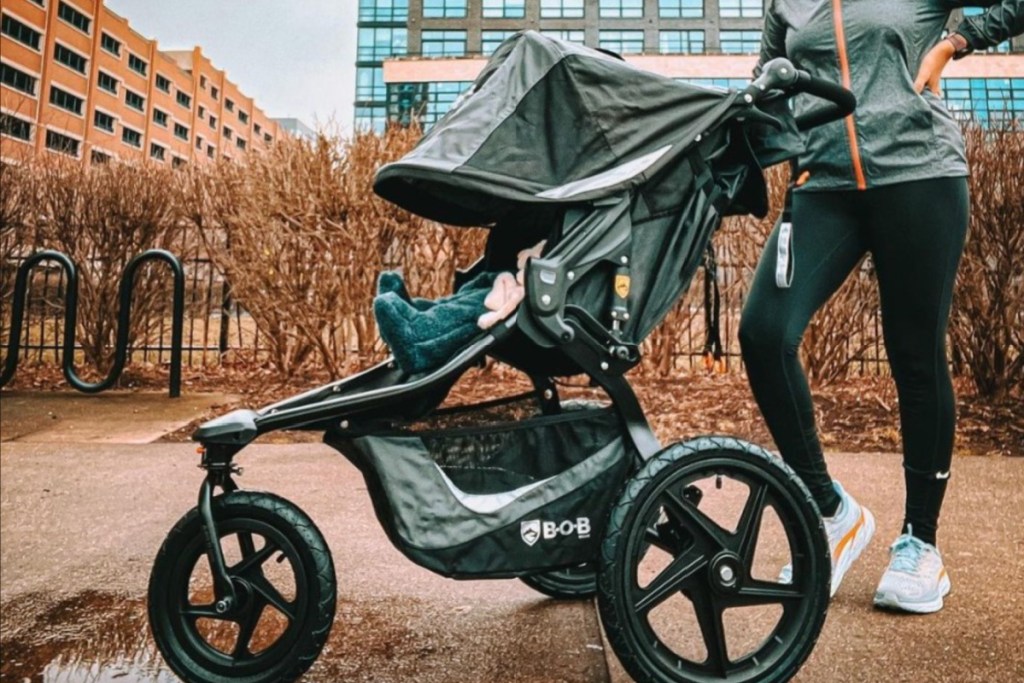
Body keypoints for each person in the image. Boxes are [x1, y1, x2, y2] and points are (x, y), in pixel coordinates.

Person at [739, 0, 1023, 614]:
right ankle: (830, 512)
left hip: (919, 176)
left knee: (915, 355)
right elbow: (769, 83)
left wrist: (958, 40)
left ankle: (921, 544)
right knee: (763, 333)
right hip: (824, 187)